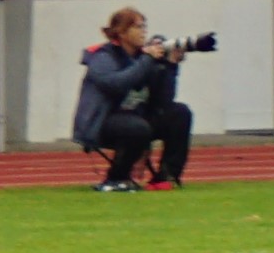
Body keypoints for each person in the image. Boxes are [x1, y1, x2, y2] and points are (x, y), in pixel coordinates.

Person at [74, 10, 198, 190]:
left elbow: (163, 101)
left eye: (144, 26)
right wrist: (147, 60)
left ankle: (167, 175)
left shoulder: (144, 57)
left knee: (179, 113)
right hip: (103, 121)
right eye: (138, 27)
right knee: (136, 127)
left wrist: (170, 65)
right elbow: (118, 84)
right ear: (122, 32)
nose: (143, 32)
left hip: (138, 117)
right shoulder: (103, 57)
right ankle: (117, 178)